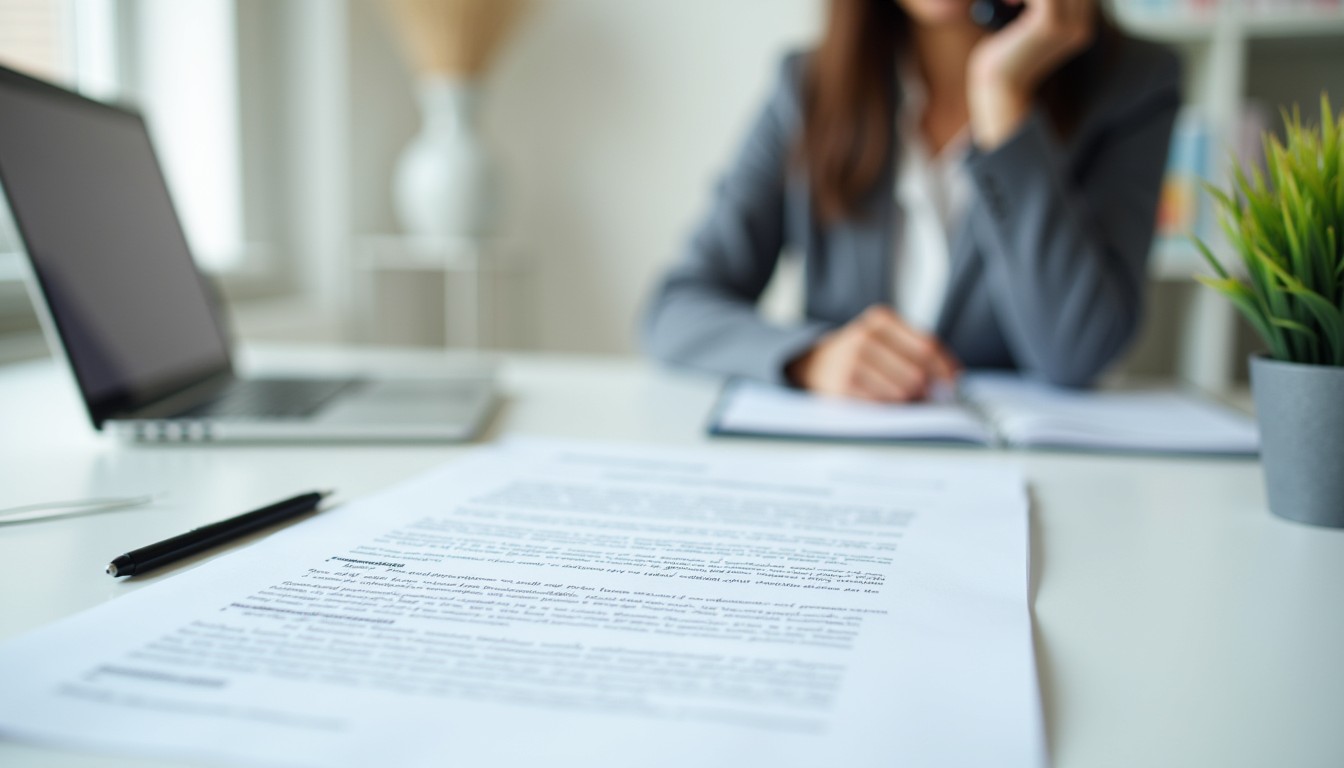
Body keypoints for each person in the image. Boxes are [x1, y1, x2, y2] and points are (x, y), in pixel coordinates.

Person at [642, 0, 1180, 401]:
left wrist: (1002, 99)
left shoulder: (1134, 83)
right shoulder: (809, 86)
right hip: (844, 481)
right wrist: (811, 358)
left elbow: (1077, 351)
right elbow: (676, 310)